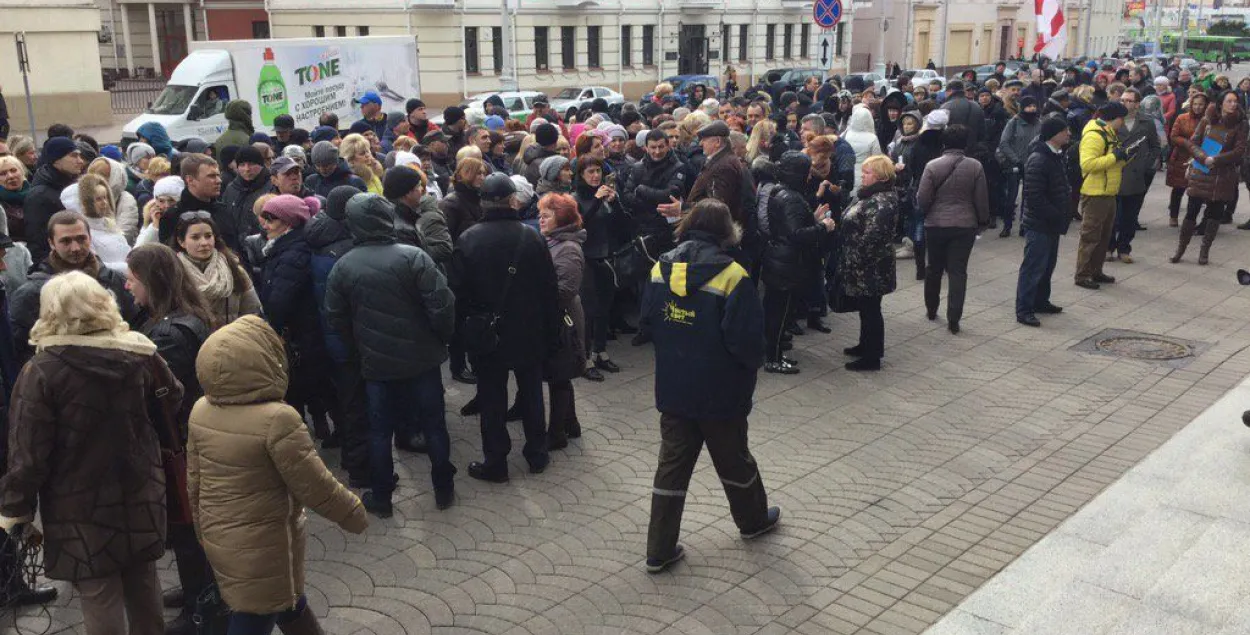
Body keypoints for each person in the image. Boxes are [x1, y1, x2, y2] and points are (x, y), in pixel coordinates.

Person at [0, 271, 183, 635]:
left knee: (99, 592)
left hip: (79, 505)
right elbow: (173, 398)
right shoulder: (139, 353)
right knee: (144, 582)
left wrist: (14, 510)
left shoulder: (41, 371)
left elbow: (28, 454)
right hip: (141, 489)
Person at [187, 315, 367, 635]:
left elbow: (194, 480)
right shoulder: (277, 418)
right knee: (257, 611)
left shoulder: (201, 409)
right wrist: (352, 513)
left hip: (221, 535)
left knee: (287, 602)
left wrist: (203, 529)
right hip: (264, 542)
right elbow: (314, 483)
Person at [639, 198, 779, 575]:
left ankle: (659, 549)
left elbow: (646, 322)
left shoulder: (658, 268)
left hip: (674, 388)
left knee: (671, 467)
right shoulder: (733, 275)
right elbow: (747, 343)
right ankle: (752, 521)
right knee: (734, 459)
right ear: (726, 231)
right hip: (721, 391)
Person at [326, 193, 456, 515]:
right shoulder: (414, 257)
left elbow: (336, 318)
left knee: (379, 431)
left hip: (376, 364)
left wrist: (359, 348)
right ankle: (443, 487)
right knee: (434, 424)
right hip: (422, 359)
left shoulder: (343, 266)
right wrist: (440, 339)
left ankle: (382, 496)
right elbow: (442, 305)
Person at [122, 243, 215, 634]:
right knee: (186, 526)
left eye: (132, 278)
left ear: (149, 281)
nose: (127, 286)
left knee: (188, 527)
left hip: (179, 442)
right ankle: (197, 589)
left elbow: (167, 398)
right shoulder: (175, 316)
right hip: (186, 438)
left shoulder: (169, 332)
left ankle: (202, 607)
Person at [450, 173, 560, 483]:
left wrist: (463, 334)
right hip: (529, 330)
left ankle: (495, 462)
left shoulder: (469, 239)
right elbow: (549, 290)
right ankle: (537, 454)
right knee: (532, 394)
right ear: (513, 200)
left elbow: (457, 292)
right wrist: (552, 334)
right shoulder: (532, 236)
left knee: (491, 397)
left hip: (488, 333)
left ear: (483, 202)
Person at [10, 211, 138, 360]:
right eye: (66, 241)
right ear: (51, 243)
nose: (75, 248)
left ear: (90, 238)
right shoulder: (32, 293)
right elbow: (20, 348)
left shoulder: (114, 280)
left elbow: (134, 326)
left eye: (81, 239)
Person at [759, 151, 834, 375]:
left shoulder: (780, 192)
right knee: (779, 314)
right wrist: (823, 227)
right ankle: (773, 358)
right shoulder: (789, 197)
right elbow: (796, 234)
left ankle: (774, 353)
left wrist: (813, 219)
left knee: (776, 311)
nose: (809, 176)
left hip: (779, 259)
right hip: (786, 262)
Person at [917, 125, 990, 334]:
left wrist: (928, 211)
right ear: (965, 144)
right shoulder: (975, 167)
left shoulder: (932, 166)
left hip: (936, 224)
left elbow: (922, 198)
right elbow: (981, 198)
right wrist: (982, 221)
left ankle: (931, 309)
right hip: (964, 225)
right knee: (958, 272)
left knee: (934, 269)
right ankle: (954, 318)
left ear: (944, 143)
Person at [1172, 91, 1247, 265]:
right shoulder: (1207, 120)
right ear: (1220, 104)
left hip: (1223, 175)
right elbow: (1193, 142)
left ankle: (1204, 251)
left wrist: (1216, 159)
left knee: (1214, 214)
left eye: (1235, 101)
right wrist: (1203, 157)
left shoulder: (1241, 124)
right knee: (1191, 212)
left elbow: (1239, 150)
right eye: (1229, 101)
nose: (1233, 104)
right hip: (1201, 171)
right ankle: (1180, 250)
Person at [839, 156, 900, 371]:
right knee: (867, 309)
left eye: (867, 173)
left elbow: (873, 236)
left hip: (871, 266)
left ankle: (872, 356)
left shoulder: (882, 201)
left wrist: (856, 254)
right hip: (863, 263)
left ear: (880, 176)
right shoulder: (870, 195)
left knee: (871, 309)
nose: (862, 176)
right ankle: (865, 345)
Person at [1017, 117, 1073, 327]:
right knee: (1033, 267)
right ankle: (1024, 309)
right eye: (1065, 131)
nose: (1068, 134)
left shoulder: (1055, 155)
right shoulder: (1039, 159)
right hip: (1040, 223)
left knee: (1047, 266)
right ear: (1054, 134)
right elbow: (1034, 196)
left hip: (1051, 223)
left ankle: (1041, 301)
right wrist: (1056, 214)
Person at [170, 211, 262, 325]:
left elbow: (252, 310)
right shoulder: (173, 273)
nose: (204, 243)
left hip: (230, 338)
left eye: (208, 236)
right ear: (181, 242)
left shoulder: (233, 269)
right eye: (195, 237)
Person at [1074, 102, 1128, 288]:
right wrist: (1115, 157)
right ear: (1114, 118)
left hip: (1108, 191)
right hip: (1095, 193)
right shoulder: (1095, 135)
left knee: (1104, 236)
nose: (1123, 123)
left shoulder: (1108, 132)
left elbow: (1111, 163)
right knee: (1090, 237)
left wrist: (1126, 157)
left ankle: (1096, 271)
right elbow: (1087, 164)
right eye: (1122, 119)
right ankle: (1082, 275)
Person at [1109, 89, 1160, 263]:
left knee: (1130, 216)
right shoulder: (1113, 121)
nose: (1124, 103)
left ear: (1137, 104)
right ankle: (1109, 247)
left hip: (1136, 176)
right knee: (1112, 215)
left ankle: (1124, 248)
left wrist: (1146, 165)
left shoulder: (1147, 122)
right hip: (1114, 173)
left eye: (1129, 101)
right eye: (1122, 100)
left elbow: (1155, 147)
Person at [24, 137, 84, 265]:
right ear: (56, 160)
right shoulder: (39, 196)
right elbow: (38, 243)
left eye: (80, 156)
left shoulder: (71, 186)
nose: (80, 161)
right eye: (74, 156)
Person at [686, 121, 751, 226]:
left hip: (716, 232)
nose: (700, 143)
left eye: (704, 139)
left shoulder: (724, 167)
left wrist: (683, 208)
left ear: (717, 141)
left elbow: (716, 207)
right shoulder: (722, 161)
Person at [384, 166, 452, 263]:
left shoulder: (393, 214)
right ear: (408, 192)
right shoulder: (403, 229)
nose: (422, 190)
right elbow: (415, 260)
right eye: (419, 185)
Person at [996, 96, 1041, 237]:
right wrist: (1016, 160)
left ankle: (1024, 225)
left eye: (1034, 106)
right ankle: (1007, 226)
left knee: (1028, 197)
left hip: (1032, 165)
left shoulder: (1039, 123)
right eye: (1029, 106)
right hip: (1014, 165)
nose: (1032, 109)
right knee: (1011, 197)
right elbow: (1004, 143)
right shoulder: (1013, 123)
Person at [74, 174, 132, 273]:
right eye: (98, 199)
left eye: (105, 197)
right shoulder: (85, 233)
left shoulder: (110, 225)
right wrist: (128, 268)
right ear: (87, 203)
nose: (104, 202)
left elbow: (128, 253)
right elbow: (95, 265)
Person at [1167, 92, 1208, 227]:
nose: (1197, 107)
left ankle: (1190, 219)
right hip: (1181, 157)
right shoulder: (1182, 117)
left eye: (1201, 104)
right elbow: (1173, 136)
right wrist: (1188, 144)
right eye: (1195, 104)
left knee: (1196, 192)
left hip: (1200, 158)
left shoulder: (1209, 120)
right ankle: (1173, 216)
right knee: (1178, 189)